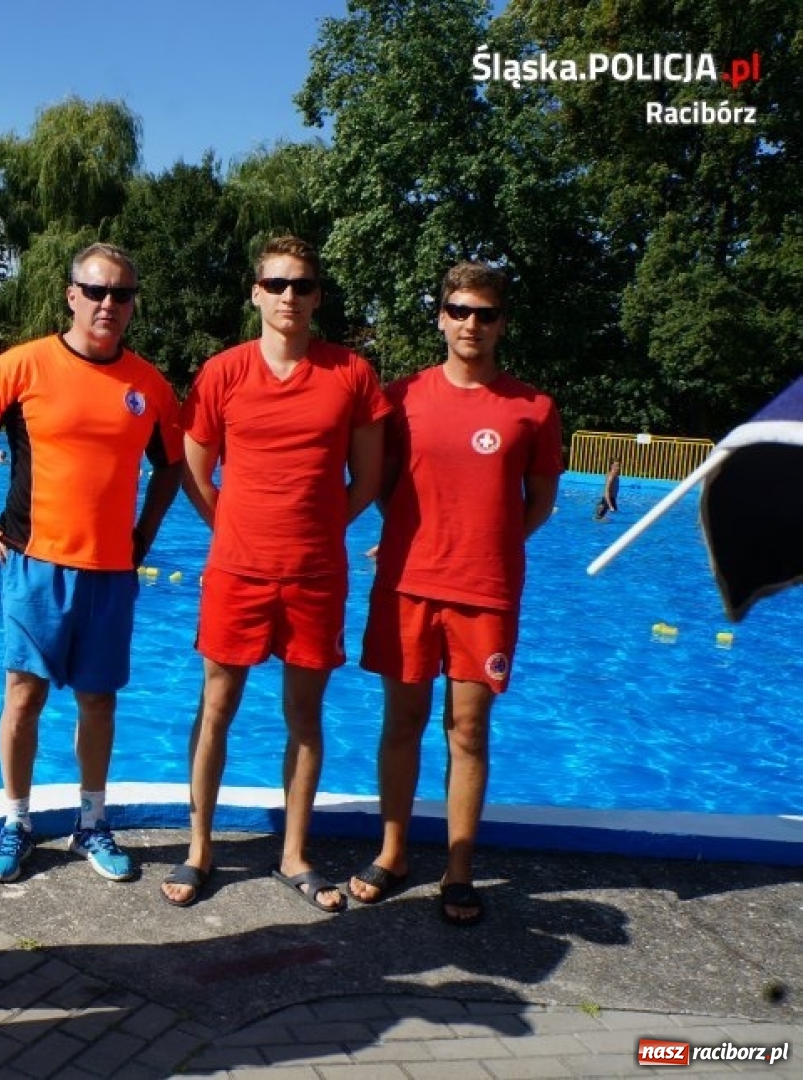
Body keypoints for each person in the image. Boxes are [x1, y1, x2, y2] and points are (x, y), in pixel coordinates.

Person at [162, 236, 389, 911]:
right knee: (216, 710)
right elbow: (195, 475)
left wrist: (318, 529)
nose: (290, 296)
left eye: (302, 285)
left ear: (317, 296)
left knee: (305, 717)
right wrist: (236, 531)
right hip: (238, 572)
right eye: (277, 284)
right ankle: (200, 847)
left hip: (316, 574)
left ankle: (294, 852)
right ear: (256, 292)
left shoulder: (351, 373)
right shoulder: (222, 373)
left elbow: (369, 477)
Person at [0, 243, 184, 886]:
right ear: (72, 294)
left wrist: (145, 532)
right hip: (35, 564)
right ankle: (17, 823)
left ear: (133, 303)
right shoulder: (21, 366)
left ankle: (91, 821)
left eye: (122, 294)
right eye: (97, 291)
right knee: (22, 697)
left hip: (112, 570)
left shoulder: (148, 384)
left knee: (99, 701)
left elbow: (172, 463)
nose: (109, 304)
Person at [350, 262, 562, 927]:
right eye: (460, 310)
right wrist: (419, 533)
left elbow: (541, 503)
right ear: (440, 316)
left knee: (468, 730)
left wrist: (484, 542)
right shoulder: (400, 395)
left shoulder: (533, 407)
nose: (472, 323)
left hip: (484, 593)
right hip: (408, 586)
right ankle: (392, 854)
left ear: (502, 323)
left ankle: (460, 868)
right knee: (403, 723)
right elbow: (380, 483)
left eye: (486, 313)